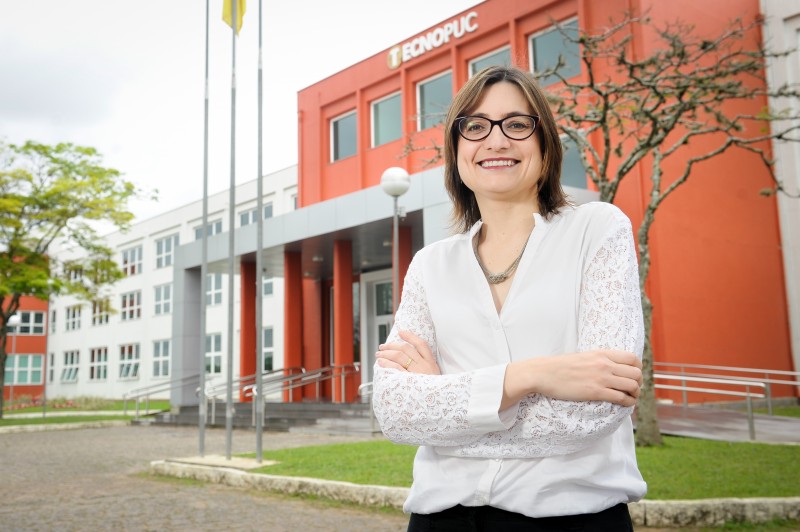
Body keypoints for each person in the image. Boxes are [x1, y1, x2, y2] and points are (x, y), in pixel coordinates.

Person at [372, 65, 647, 531]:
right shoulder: (430, 264)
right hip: (440, 520)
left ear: (545, 143)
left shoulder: (598, 230)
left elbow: (593, 412)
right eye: (475, 126)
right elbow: (398, 414)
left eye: (517, 124)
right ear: (456, 148)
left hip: (572, 520)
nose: (495, 141)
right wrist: (536, 374)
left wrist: (448, 409)